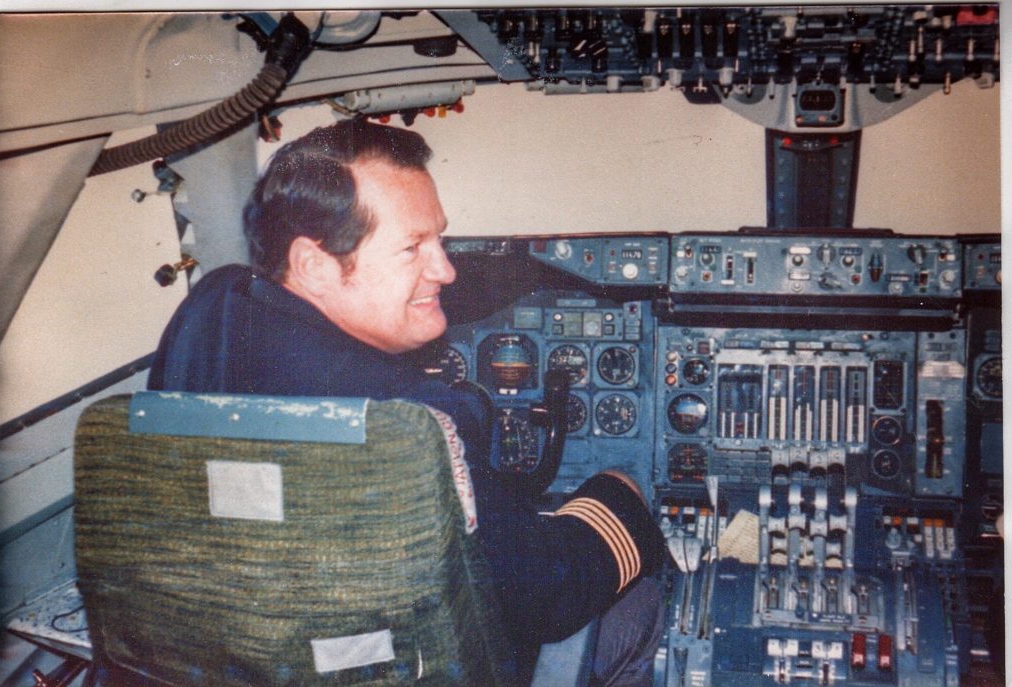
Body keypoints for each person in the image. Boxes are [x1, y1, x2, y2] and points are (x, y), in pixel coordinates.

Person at [149, 118, 666, 685]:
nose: (443, 269)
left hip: (236, 650)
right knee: (639, 605)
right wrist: (622, 493)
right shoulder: (408, 420)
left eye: (439, 239)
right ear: (314, 265)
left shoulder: (213, 305)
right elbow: (549, 595)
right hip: (372, 664)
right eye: (412, 248)